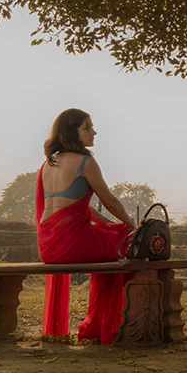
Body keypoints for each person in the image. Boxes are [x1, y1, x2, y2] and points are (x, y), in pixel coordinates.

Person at [35, 109, 136, 344]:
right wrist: (132, 226)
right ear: (72, 132)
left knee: (118, 235)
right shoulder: (85, 161)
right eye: (87, 128)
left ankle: (102, 322)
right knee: (129, 244)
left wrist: (116, 226)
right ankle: (110, 324)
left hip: (48, 245)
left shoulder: (49, 163)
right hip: (71, 243)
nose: (94, 132)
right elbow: (109, 200)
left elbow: (79, 209)